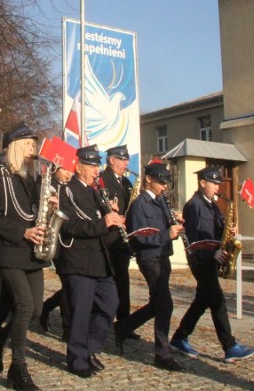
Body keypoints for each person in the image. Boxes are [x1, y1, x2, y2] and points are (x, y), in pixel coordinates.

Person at [0, 122, 52, 390]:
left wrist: (50, 206)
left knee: (35, 309)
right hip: (9, 252)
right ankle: (18, 368)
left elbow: (36, 212)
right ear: (14, 147)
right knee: (23, 306)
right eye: (28, 143)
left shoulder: (33, 178)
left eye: (34, 144)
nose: (33, 148)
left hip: (32, 254)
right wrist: (22, 232)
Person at [170, 166, 254, 363]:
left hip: (212, 258)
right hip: (201, 260)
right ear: (202, 183)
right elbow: (194, 238)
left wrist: (229, 229)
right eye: (214, 183)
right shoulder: (194, 206)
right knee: (217, 300)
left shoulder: (212, 205)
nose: (218, 187)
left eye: (218, 183)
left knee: (202, 301)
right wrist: (212, 252)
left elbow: (218, 229)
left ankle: (179, 338)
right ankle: (229, 346)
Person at [56, 145, 123, 379]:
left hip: (100, 259)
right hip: (78, 259)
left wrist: (115, 221)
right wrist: (102, 223)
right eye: (92, 166)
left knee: (110, 303)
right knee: (81, 312)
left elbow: (102, 223)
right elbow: (69, 225)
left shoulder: (95, 192)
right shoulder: (67, 190)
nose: (96, 171)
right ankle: (77, 358)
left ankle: (90, 348)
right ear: (79, 166)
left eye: (97, 166)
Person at [114, 161, 185, 372]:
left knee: (157, 303)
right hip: (149, 258)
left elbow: (165, 225)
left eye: (166, 182)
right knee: (165, 304)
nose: (164, 186)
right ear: (148, 179)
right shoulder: (139, 205)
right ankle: (162, 354)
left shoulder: (161, 201)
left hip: (163, 256)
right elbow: (139, 238)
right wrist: (166, 234)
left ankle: (122, 328)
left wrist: (177, 224)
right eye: (160, 182)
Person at [98, 145, 137, 339]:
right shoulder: (102, 179)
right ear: (112, 160)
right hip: (108, 238)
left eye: (126, 160)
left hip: (123, 239)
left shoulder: (127, 182)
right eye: (122, 160)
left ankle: (124, 323)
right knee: (106, 282)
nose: (126, 164)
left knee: (123, 281)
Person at [39, 165, 73, 340]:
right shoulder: (47, 184)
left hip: (70, 241)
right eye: (66, 169)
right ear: (55, 169)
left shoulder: (70, 186)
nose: (69, 173)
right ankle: (68, 328)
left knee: (71, 285)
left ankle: (47, 308)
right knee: (68, 285)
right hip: (55, 241)